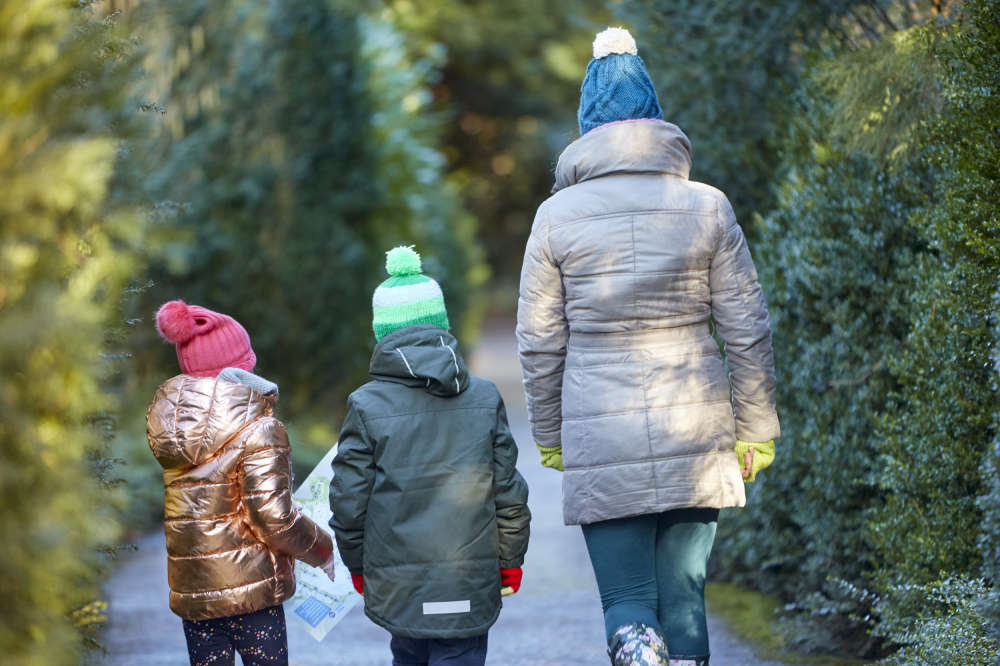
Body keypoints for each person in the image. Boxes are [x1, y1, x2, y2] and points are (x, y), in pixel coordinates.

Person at [516, 27, 780, 666]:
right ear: (657, 118)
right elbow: (747, 326)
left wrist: (551, 434)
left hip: (600, 430)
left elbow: (539, 341)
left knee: (628, 600)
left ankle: (635, 649)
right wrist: (757, 428)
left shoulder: (556, 217)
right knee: (685, 598)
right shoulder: (708, 207)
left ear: (586, 127)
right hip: (697, 420)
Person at [329, 246, 531, 666]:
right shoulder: (483, 396)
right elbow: (508, 490)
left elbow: (349, 500)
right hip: (468, 577)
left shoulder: (365, 405)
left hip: (398, 584)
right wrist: (510, 560)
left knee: (409, 652)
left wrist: (357, 565)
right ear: (442, 324)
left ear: (382, 332)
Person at [147, 299, 337, 666]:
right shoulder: (260, 428)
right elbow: (273, 517)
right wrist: (321, 550)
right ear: (241, 366)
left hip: (195, 595)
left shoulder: (171, 427)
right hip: (253, 597)